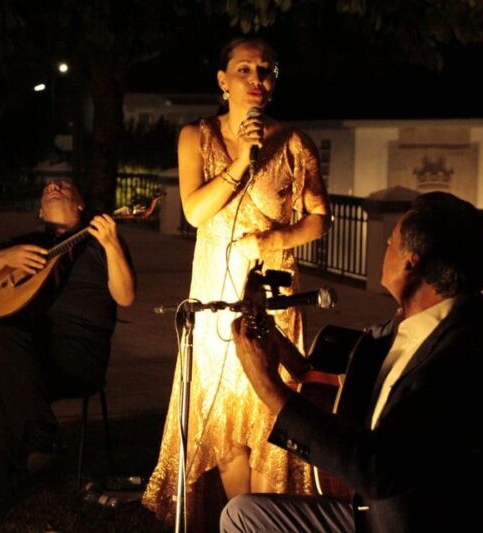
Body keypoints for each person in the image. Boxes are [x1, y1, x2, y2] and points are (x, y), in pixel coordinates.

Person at [223, 192, 483, 532]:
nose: (383, 249)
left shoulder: (463, 356)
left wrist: (267, 385)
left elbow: (378, 469)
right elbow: (334, 379)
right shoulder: (415, 324)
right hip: (373, 511)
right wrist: (274, 339)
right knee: (242, 514)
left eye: (389, 243)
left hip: (411, 521)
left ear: (410, 264)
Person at [142, 36, 331, 529]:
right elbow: (195, 210)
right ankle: (238, 521)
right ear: (222, 82)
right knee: (227, 427)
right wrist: (242, 162)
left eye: (265, 70)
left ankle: (266, 522)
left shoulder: (294, 144)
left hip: (274, 297)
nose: (255, 79)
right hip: (215, 302)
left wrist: (273, 238)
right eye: (243, 69)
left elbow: (319, 219)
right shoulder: (195, 137)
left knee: (271, 417)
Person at [0, 178, 136, 525]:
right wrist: (5, 257)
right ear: (39, 211)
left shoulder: (102, 243)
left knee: (12, 389)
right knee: (4, 336)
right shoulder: (27, 245)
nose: (54, 185)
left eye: (65, 186)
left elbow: (125, 297)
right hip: (33, 353)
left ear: (80, 204)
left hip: (81, 356)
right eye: (48, 188)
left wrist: (111, 244)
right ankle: (40, 432)